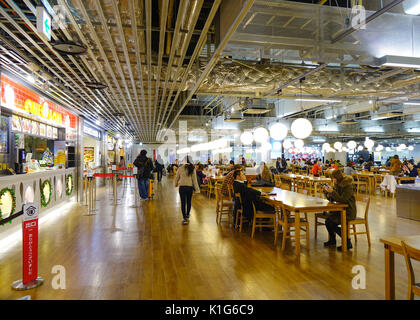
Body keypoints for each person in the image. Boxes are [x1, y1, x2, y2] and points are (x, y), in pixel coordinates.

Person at [322, 170, 356, 251]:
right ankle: (332, 240)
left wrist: (332, 192)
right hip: (339, 210)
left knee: (332, 223)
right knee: (328, 221)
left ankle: (347, 242)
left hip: (348, 211)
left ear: (337, 178)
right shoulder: (337, 185)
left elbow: (342, 199)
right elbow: (332, 199)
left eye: (333, 178)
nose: (332, 180)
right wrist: (326, 192)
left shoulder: (347, 186)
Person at [174, 156, 200, 225]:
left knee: (183, 203)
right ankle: (187, 215)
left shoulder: (180, 168)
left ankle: (184, 218)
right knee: (189, 202)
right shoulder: (192, 169)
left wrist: (175, 184)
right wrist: (197, 189)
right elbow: (195, 180)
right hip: (189, 187)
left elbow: (177, 177)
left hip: (182, 187)